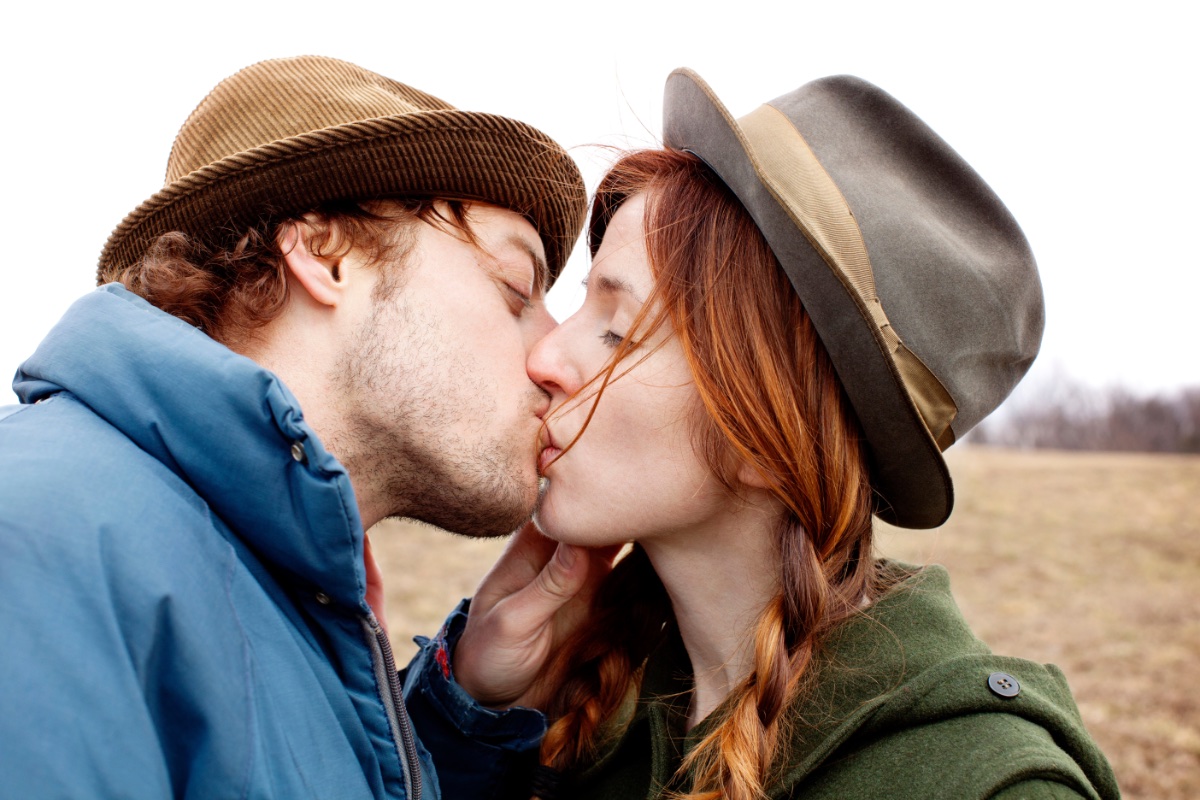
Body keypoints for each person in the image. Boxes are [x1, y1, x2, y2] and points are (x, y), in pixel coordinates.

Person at [0, 55, 605, 800]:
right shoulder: (39, 540)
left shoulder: (292, 599)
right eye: (516, 290)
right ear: (326, 255)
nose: (555, 356)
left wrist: (460, 725)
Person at [510, 70, 1120, 799]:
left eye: (616, 330)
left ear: (764, 436)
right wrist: (480, 713)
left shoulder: (988, 788)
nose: (544, 359)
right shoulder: (588, 711)